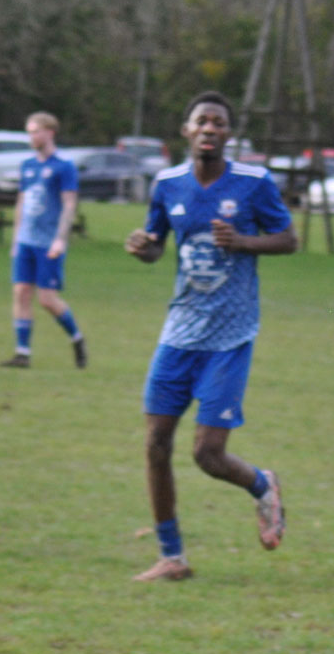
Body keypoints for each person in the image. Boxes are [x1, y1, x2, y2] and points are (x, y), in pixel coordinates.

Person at [123, 92, 294, 582]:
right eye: (202, 121)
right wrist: (143, 247)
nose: (210, 129)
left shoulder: (254, 183)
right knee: (156, 443)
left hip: (230, 335)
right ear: (187, 130)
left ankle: (262, 484)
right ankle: (172, 557)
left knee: (207, 454)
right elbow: (157, 245)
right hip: (179, 332)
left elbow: (288, 239)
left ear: (228, 134)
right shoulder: (167, 184)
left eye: (219, 122)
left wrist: (243, 242)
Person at [0, 112, 86, 370]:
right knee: (21, 293)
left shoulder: (64, 166)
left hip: (48, 243)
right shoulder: (27, 165)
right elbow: (22, 202)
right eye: (29, 132)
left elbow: (69, 204)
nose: (32, 137)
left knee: (47, 299)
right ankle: (22, 353)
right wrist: (16, 239)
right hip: (26, 240)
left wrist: (60, 239)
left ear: (50, 132)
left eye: (36, 131)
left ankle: (77, 338)